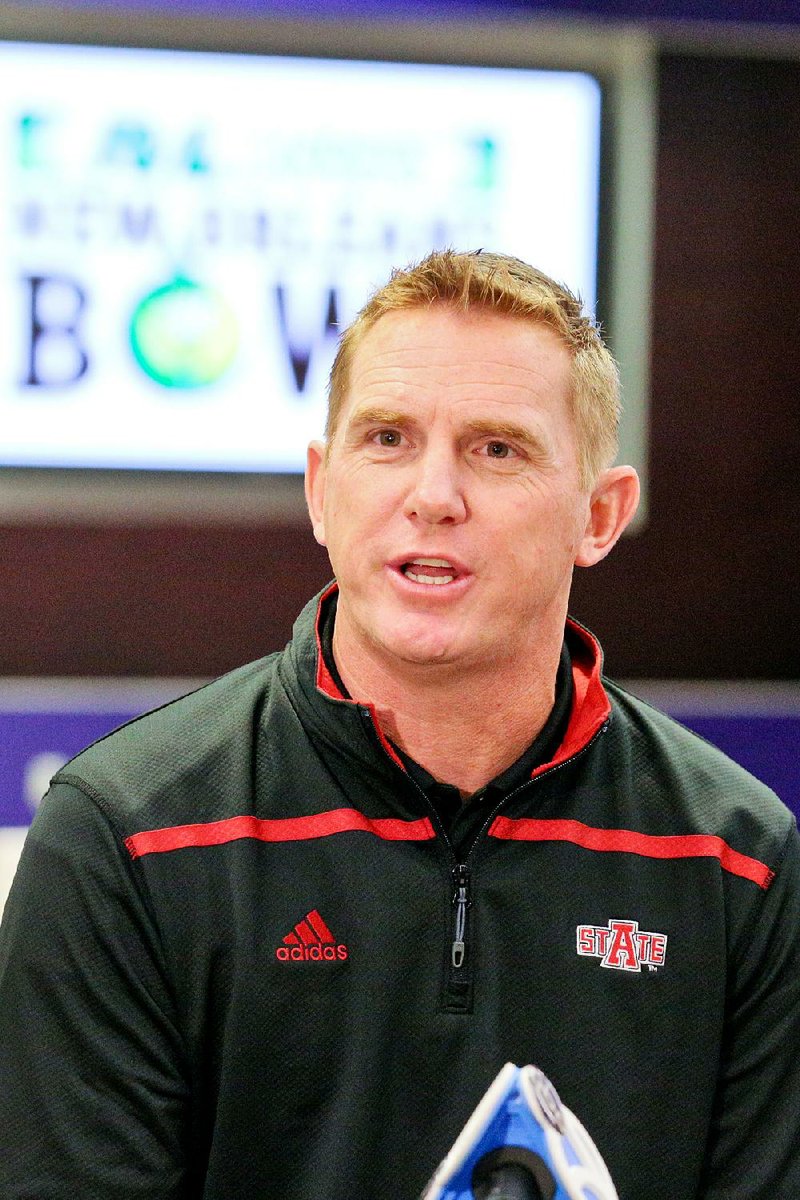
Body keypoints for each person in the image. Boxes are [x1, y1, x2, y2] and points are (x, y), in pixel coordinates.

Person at [1, 249, 798, 1200]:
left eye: (496, 448)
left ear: (599, 514)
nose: (433, 495)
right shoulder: (125, 837)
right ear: (320, 490)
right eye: (386, 438)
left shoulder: (741, 862)